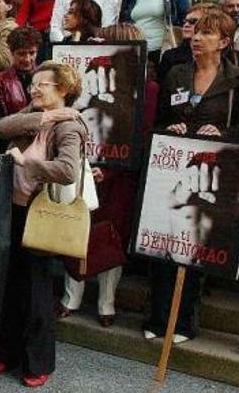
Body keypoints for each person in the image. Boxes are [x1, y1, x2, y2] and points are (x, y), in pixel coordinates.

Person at [146, 11, 239, 343]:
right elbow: (160, 118)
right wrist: (169, 127)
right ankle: (157, 316)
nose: (196, 37)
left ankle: (183, 322)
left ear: (223, 42)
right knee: (164, 243)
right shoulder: (177, 73)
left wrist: (221, 131)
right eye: (196, 32)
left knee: (195, 247)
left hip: (212, 174)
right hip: (173, 169)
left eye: (206, 33)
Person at [0, 62, 87, 388]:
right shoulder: (35, 117)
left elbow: (67, 170)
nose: (34, 89)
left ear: (62, 89)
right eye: (33, 83)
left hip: (42, 216)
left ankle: (37, 362)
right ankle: (7, 351)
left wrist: (27, 162)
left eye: (43, 84)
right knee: (10, 285)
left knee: (36, 292)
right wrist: (43, 117)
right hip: (14, 210)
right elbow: (1, 126)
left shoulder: (70, 127)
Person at [57, 23, 148, 328]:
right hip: (82, 168)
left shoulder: (146, 89)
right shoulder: (88, 83)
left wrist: (109, 168)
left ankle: (106, 302)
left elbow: (140, 137)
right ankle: (71, 297)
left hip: (120, 178)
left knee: (111, 235)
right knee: (75, 231)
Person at [158, 3, 227, 84]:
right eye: (185, 21)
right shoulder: (170, 57)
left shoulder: (230, 57)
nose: (186, 25)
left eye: (193, 21)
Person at [0, 26, 43, 117]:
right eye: (21, 54)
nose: (27, 59)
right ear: (11, 53)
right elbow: (0, 119)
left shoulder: (46, 77)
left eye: (32, 53)